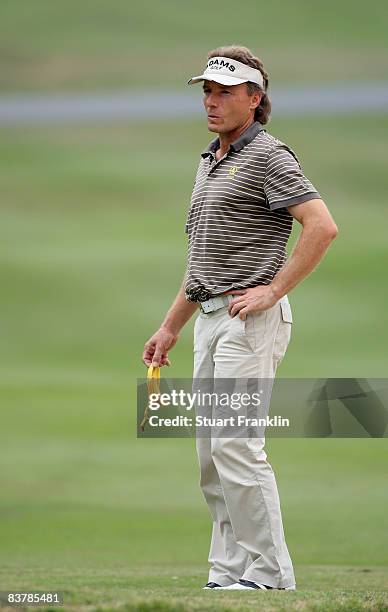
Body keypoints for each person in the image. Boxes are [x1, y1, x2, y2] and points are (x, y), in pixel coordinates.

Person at [142, 45, 338, 591]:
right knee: (211, 453)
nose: (211, 100)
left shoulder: (270, 155)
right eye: (206, 90)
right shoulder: (211, 160)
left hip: (248, 322)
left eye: (224, 92)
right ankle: (229, 573)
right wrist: (170, 326)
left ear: (254, 99)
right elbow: (204, 261)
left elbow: (321, 226)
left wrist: (273, 291)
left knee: (235, 445)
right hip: (209, 318)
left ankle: (271, 575)